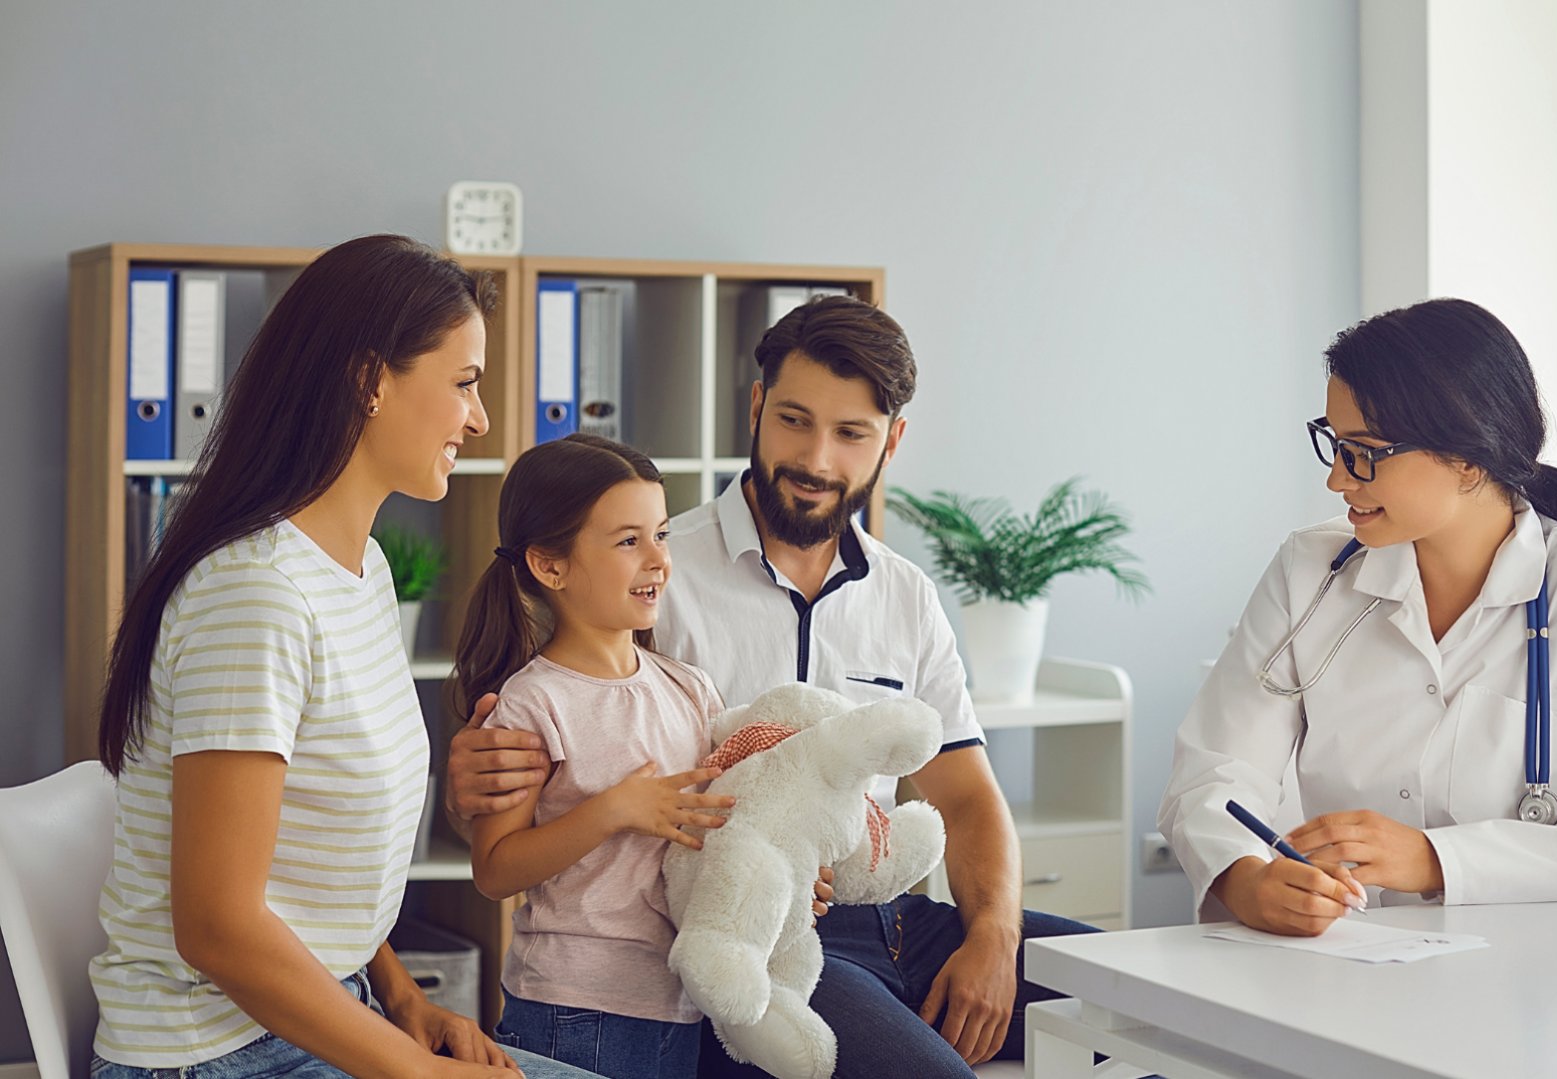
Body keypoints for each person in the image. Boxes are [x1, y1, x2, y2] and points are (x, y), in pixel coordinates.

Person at [446, 295, 1096, 1077]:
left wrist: (993, 935)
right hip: (768, 930)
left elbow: (964, 798)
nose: (817, 458)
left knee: (1147, 1000)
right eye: (794, 419)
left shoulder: (905, 594)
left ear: (891, 440)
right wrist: (471, 785)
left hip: (900, 915)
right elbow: (558, 741)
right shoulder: (655, 576)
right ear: (755, 407)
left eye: (851, 433)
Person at [88, 235, 595, 1078]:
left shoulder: (360, 570)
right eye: (465, 383)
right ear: (370, 381)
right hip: (216, 1057)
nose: (481, 418)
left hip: (327, 1015)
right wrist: (415, 1069)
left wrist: (406, 1001)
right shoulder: (254, 596)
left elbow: (309, 879)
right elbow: (217, 925)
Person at [1158, 298, 1557, 936]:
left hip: (1522, 976)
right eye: (1335, 446)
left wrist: (1435, 860)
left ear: (1469, 460)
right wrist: (1245, 877)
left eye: (1364, 452)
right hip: (1338, 960)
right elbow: (1214, 769)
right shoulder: (1309, 572)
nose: (1339, 480)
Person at [456, 435, 738, 1078]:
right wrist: (612, 811)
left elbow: (722, 820)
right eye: (628, 541)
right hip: (573, 1009)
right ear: (549, 567)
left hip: (678, 1002)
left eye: (661, 535)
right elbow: (496, 871)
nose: (659, 561)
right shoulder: (534, 705)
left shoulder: (691, 688)